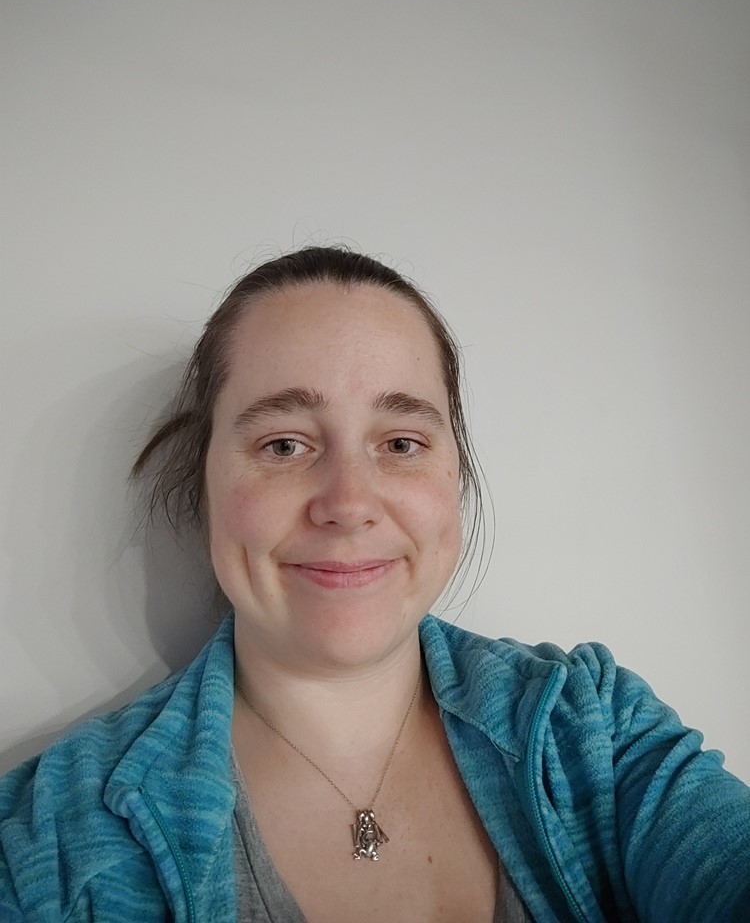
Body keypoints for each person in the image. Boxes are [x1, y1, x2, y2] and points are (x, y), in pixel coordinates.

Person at [1, 246, 748, 923]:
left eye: (400, 443)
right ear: (204, 484)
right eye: (284, 443)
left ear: (455, 475)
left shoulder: (596, 731)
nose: (350, 503)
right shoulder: (52, 835)